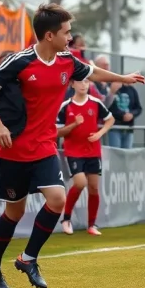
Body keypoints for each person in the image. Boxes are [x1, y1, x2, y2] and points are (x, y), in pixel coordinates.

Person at [0, 3, 145, 288]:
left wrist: (123, 78)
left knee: (57, 199)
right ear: (48, 35)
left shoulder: (68, 61)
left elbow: (93, 73)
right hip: (14, 149)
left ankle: (28, 258)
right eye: (66, 33)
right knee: (13, 215)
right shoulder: (19, 61)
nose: (70, 38)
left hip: (44, 146)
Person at [57, 78, 116, 236]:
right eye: (80, 82)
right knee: (80, 182)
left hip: (93, 151)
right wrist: (74, 125)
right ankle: (66, 219)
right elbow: (57, 131)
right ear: (72, 84)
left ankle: (91, 225)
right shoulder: (66, 106)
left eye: (86, 82)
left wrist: (99, 133)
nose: (83, 85)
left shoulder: (96, 102)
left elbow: (110, 119)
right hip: (73, 151)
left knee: (94, 187)